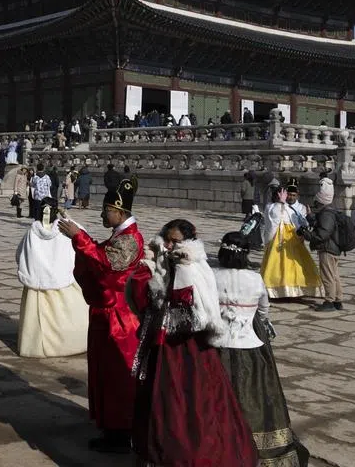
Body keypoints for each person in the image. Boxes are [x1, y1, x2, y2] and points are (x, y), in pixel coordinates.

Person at [124, 220, 258, 466]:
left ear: (187, 242)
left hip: (189, 346)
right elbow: (143, 300)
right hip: (164, 345)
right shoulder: (163, 263)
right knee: (162, 399)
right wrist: (150, 270)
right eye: (168, 239)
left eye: (175, 241)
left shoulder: (193, 266)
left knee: (194, 401)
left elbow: (194, 310)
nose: (170, 244)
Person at [56, 179, 144, 454]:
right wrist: (82, 238)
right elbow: (102, 253)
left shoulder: (129, 239)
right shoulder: (121, 236)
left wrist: (79, 238)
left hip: (118, 318)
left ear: (119, 211)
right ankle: (112, 426)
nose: (102, 215)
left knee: (117, 374)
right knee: (106, 372)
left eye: (106, 210)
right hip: (109, 314)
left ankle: (120, 432)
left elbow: (105, 266)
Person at [212, 231, 311, 465]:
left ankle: (219, 444)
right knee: (255, 400)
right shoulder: (255, 279)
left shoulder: (212, 276)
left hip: (216, 348)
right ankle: (259, 445)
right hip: (251, 348)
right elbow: (264, 312)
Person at [15, 197, 88, 358]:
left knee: (36, 319)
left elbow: (20, 254)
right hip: (63, 282)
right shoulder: (65, 230)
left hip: (36, 287)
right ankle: (67, 344)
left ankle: (35, 346)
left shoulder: (31, 232)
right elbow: (84, 242)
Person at [260, 180, 323, 299]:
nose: (289, 197)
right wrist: (280, 204)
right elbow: (274, 218)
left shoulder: (294, 207)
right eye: (287, 194)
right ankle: (278, 289)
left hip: (292, 237)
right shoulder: (271, 206)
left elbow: (297, 221)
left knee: (296, 265)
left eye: (293, 195)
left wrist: (301, 232)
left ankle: (297, 288)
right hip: (279, 239)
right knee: (278, 265)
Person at [298, 178, 344, 311]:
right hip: (333, 248)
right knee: (334, 275)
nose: (315, 204)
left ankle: (329, 301)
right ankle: (338, 299)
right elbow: (321, 225)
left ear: (320, 201)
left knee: (328, 276)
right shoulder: (328, 212)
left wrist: (307, 235)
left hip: (327, 249)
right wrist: (310, 217)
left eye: (316, 202)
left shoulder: (326, 214)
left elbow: (322, 234)